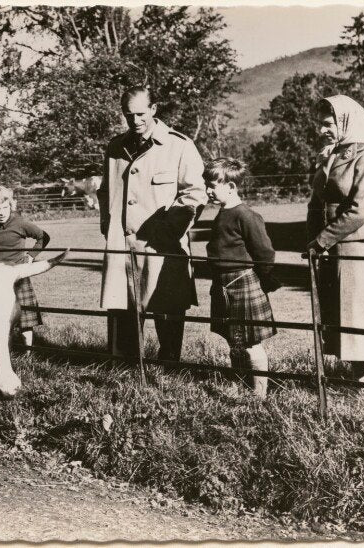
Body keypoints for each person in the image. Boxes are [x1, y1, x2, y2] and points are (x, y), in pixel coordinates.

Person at [97, 85, 207, 361]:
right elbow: (105, 193)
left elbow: (195, 194)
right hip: (122, 245)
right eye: (128, 115)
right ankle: (124, 372)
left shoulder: (179, 145)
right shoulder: (115, 147)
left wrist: (169, 231)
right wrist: (108, 227)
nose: (135, 121)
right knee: (122, 311)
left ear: (154, 109)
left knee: (168, 309)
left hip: (162, 247)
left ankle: (169, 371)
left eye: (140, 114)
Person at [307, 95, 364, 394]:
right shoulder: (330, 154)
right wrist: (314, 241)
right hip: (331, 250)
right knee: (344, 317)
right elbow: (317, 201)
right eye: (319, 123)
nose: (321, 130)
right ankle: (361, 388)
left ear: (346, 121)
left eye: (327, 123)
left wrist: (321, 240)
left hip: (357, 247)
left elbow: (360, 209)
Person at [204, 158, 282, 397]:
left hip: (242, 284)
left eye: (213, 185)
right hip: (223, 285)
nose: (208, 190)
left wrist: (265, 280)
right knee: (233, 340)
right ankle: (239, 385)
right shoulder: (223, 213)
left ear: (231, 187)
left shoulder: (246, 215)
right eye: (206, 184)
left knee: (250, 342)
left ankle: (259, 394)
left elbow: (265, 253)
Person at [0, 183, 50, 350]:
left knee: (25, 319)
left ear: (10, 205)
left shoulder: (20, 223)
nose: (1, 213)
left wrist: (31, 257)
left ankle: (29, 354)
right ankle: (1, 352)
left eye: (5, 207)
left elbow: (43, 237)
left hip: (18, 276)